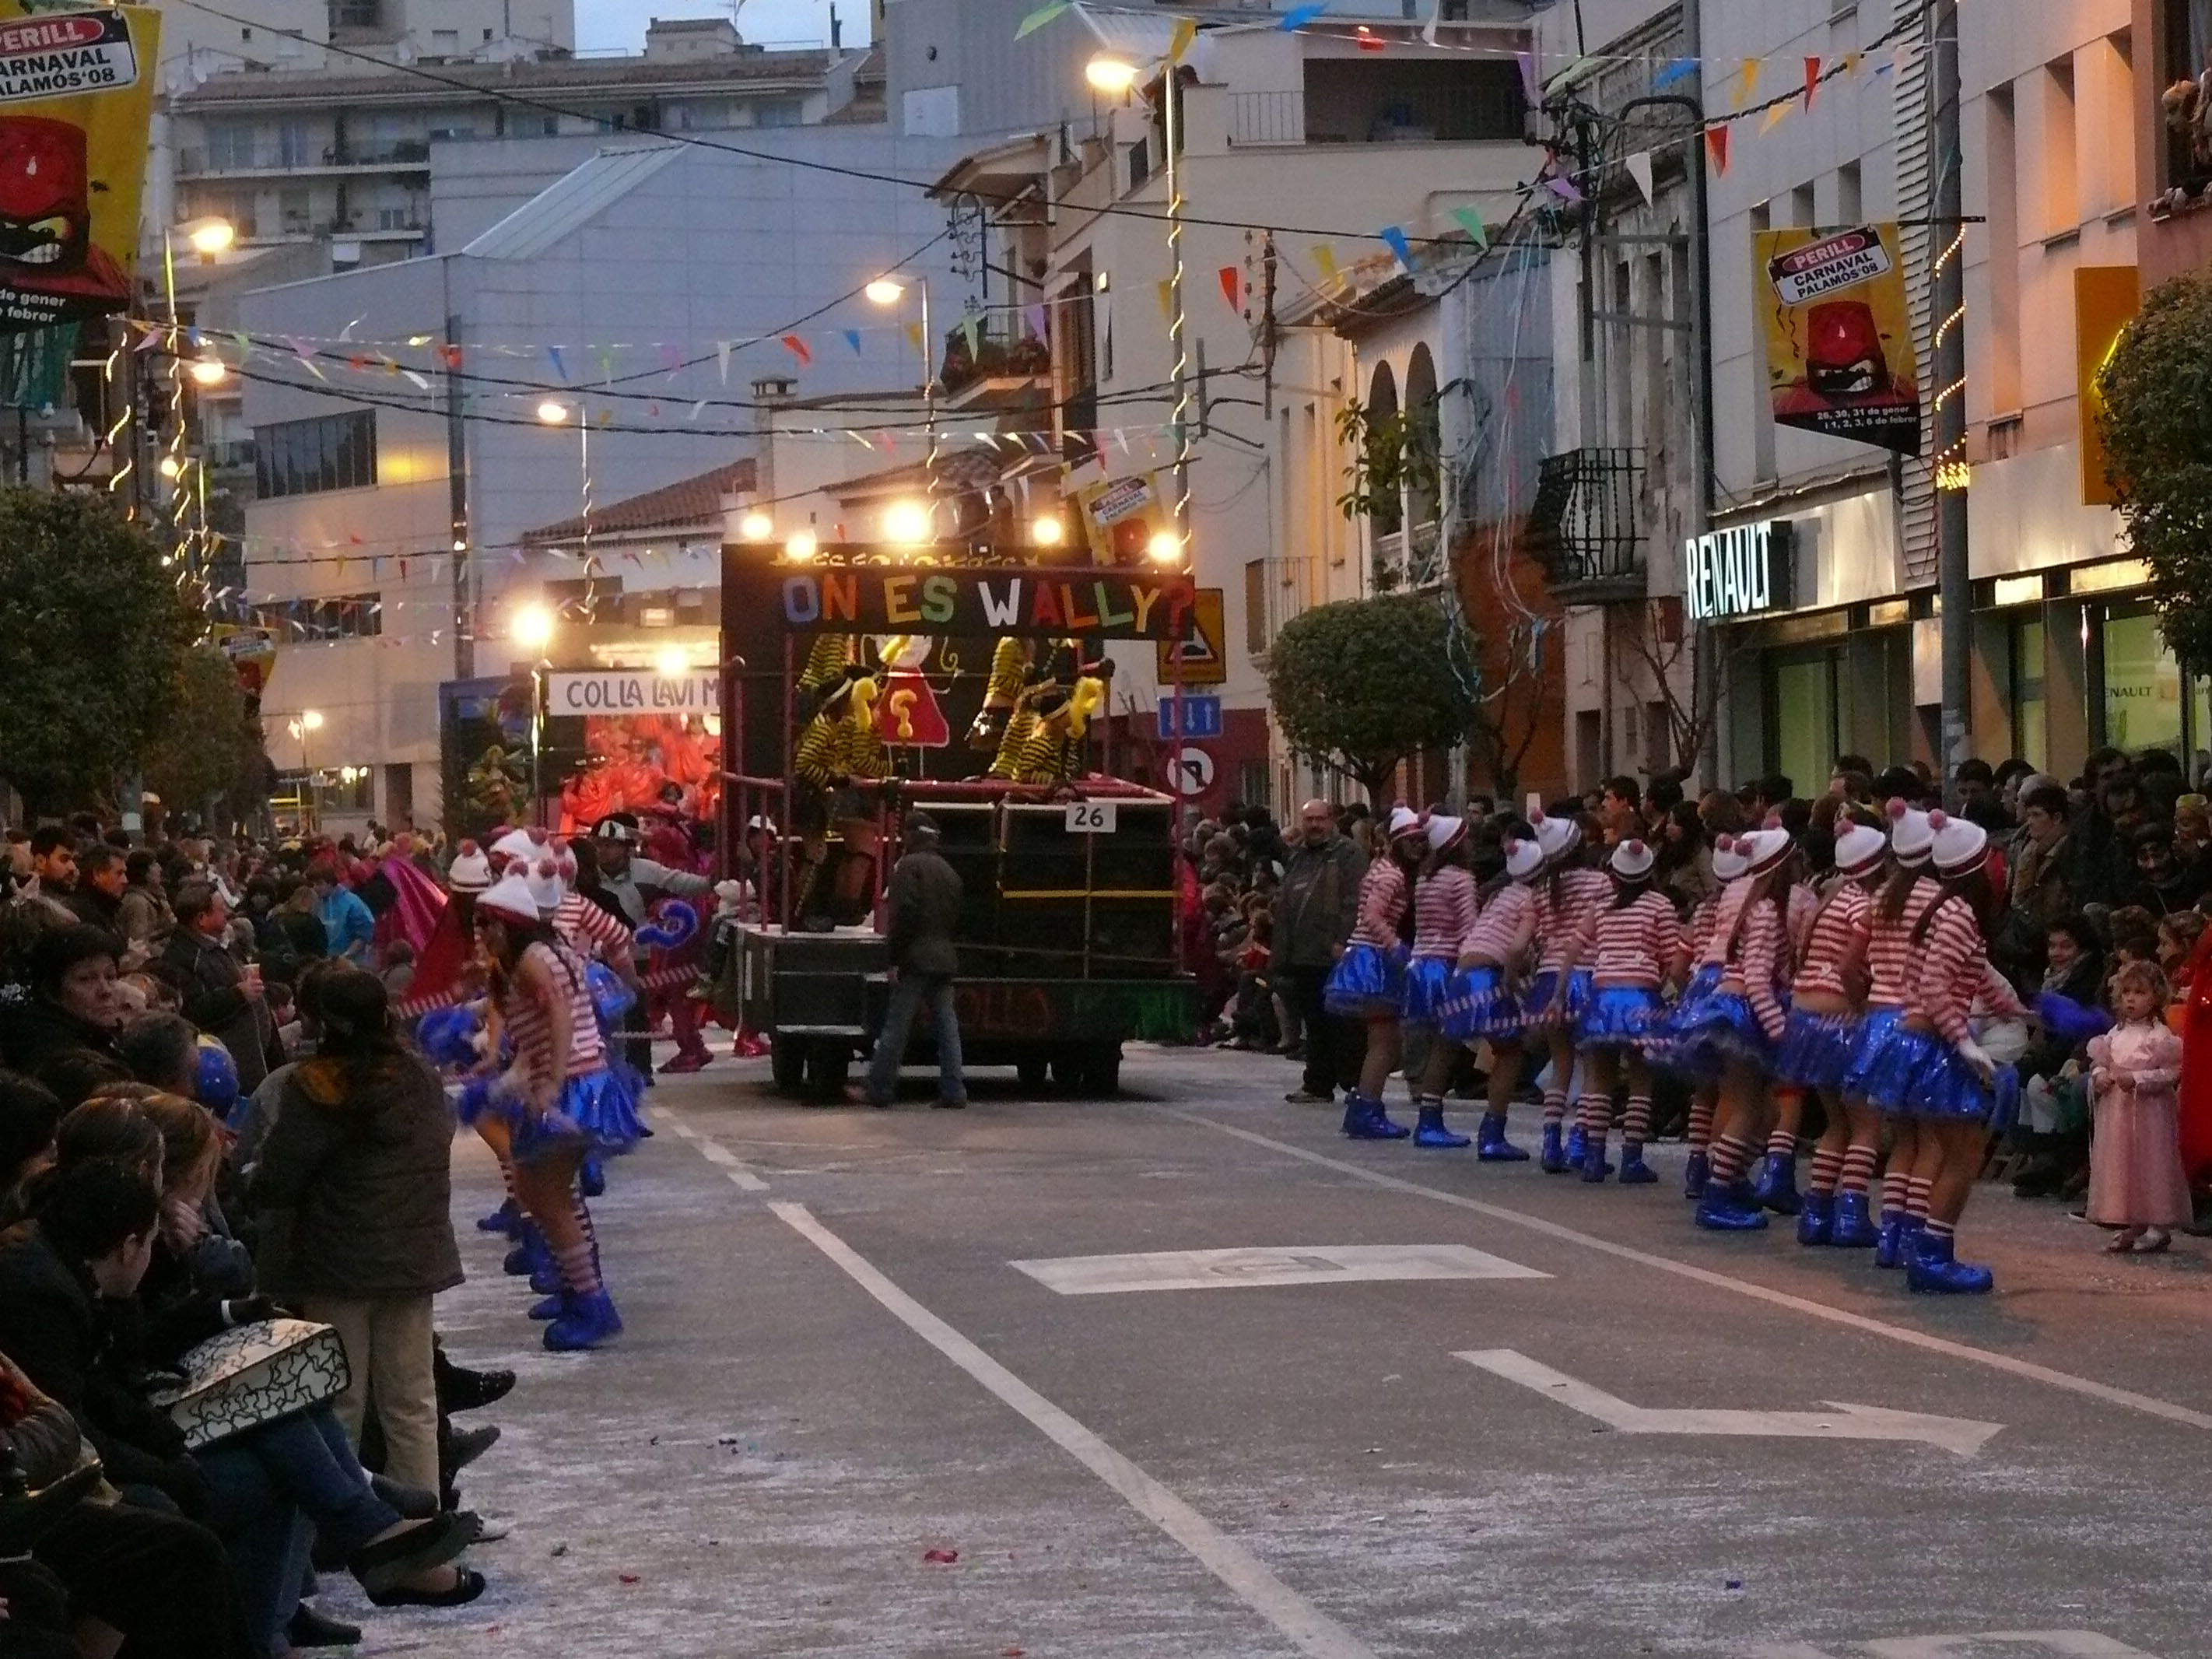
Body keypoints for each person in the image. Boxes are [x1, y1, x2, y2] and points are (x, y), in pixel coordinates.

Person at [252, 968, 463, 1493]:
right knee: (411, 1401)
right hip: (413, 1257)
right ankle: (423, 1510)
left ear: (323, 1022)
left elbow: (281, 1176)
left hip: (335, 1261)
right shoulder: (419, 1079)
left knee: (339, 1402)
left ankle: (348, 1517)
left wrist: (251, 1189)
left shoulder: (314, 1087)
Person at [471, 869, 642, 1349]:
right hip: (573, 1081)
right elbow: (536, 1033)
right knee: (544, 1191)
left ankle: (591, 1302)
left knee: (549, 1195)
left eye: (486, 925)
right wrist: (513, 1076)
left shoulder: (534, 959)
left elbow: (561, 1018)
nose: (481, 934)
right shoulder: (531, 958)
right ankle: (578, 1290)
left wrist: (552, 1079)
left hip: (576, 1085)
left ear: (508, 924)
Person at [1781, 818, 1888, 1247]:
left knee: (1835, 1122)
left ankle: (1816, 1212)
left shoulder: (1825, 900)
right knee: (1866, 1124)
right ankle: (1852, 1214)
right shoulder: (1863, 905)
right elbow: (1850, 967)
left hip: (1805, 1017)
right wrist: (1862, 1006)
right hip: (1839, 1017)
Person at [1572, 838, 1684, 1184]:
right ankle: (1631, 1158)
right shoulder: (1660, 906)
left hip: (1603, 996)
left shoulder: (1601, 907)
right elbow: (1671, 957)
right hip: (1642, 997)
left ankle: (1593, 1156)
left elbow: (1578, 945)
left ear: (1615, 874)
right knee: (1640, 1078)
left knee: (1600, 1077)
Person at [1325, 806, 1427, 1139]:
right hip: (1375, 960)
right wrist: (1395, 945)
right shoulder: (1392, 875)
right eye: (1411, 841)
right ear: (1396, 842)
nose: (1417, 846)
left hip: (1369, 956)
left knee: (1382, 1041)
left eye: (1421, 840)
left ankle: (1364, 1108)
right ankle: (1367, 1110)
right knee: (1385, 1043)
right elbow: (1372, 915)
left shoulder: (1382, 868)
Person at [1445, 826, 1544, 1162]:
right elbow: (1516, 948)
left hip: (1462, 974)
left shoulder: (1500, 896)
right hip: (1488, 977)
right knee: (1510, 1052)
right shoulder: (1531, 900)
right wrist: (1511, 979)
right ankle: (1492, 1134)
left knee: (1451, 1045)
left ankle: (1431, 1113)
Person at [590, 814, 716, 1076]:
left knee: (636, 1017)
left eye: (610, 845)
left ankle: (641, 1072)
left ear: (627, 848)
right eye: (599, 844)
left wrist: (714, 881)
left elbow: (684, 883)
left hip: (636, 958)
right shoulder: (587, 876)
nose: (603, 850)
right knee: (598, 1019)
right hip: (595, 960)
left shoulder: (647, 871)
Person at [863, 812, 968, 1110]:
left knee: (897, 1025)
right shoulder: (949, 871)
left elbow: (903, 917)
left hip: (915, 958)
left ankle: (879, 1089)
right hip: (944, 956)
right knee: (947, 1027)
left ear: (911, 836)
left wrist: (894, 959)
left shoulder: (906, 868)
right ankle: (954, 1090)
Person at [2085, 959, 2191, 1254]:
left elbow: (2172, 1072)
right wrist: (2100, 1075)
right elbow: (2102, 1061)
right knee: (2124, 1164)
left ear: (2156, 997)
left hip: (2150, 1115)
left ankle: (2159, 1223)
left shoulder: (2160, 1037)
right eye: (2127, 992)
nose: (2131, 999)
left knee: (2151, 1164)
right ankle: (2135, 1220)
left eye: (2140, 993)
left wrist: (2138, 1079)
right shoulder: (2115, 1034)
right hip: (2118, 1113)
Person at [1272, 800, 1366, 1107]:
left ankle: (1354, 1083)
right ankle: (1317, 1083)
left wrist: (1342, 940)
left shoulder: (1348, 854)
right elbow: (1287, 902)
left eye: (1320, 819)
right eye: (1309, 819)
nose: (1314, 825)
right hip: (1304, 952)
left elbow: (1354, 900)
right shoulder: (1298, 856)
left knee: (1343, 1023)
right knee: (1314, 1022)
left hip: (1333, 952)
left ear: (1331, 820)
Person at [1398, 814, 1480, 1148]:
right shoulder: (1461, 879)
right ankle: (1431, 1118)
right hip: (1447, 965)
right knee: (1446, 1045)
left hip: (1421, 964)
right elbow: (1468, 927)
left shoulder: (1425, 878)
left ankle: (1428, 1110)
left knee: (1432, 1040)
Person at [156, 882, 276, 1093]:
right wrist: (238, 994)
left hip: (250, 1060)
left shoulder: (217, 945)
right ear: (201, 918)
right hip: (224, 1071)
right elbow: (192, 1010)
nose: (228, 913)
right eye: (221, 909)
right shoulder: (184, 957)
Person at [3, 924, 129, 1096]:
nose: (105, 990)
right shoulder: (60, 1064)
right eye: (85, 979)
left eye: (110, 976)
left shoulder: (102, 1039)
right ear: (51, 991)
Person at [311, 859, 377, 964]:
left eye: (319, 884)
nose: (315, 888)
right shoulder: (317, 902)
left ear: (330, 882)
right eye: (313, 884)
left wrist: (345, 957)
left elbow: (363, 936)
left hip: (349, 964)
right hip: (324, 963)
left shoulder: (353, 903)